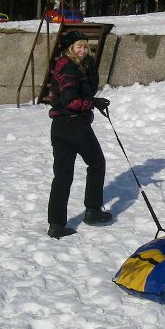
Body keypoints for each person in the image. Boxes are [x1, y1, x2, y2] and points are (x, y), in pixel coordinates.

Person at [46, 30, 112, 239]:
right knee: (97, 163)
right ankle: (92, 211)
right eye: (78, 47)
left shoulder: (75, 65)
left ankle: (56, 225)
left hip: (60, 126)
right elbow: (70, 100)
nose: (83, 50)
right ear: (70, 49)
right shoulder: (69, 67)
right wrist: (93, 103)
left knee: (63, 175)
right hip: (74, 125)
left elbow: (85, 90)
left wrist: (90, 70)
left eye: (85, 47)